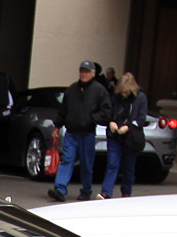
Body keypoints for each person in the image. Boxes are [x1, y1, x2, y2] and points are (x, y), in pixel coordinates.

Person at [50, 60, 110, 201]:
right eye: (82, 71)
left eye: (87, 71)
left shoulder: (99, 90)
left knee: (86, 165)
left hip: (87, 133)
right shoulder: (72, 90)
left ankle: (86, 190)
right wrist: (57, 126)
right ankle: (60, 189)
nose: (84, 74)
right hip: (71, 133)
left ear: (93, 73)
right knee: (67, 161)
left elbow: (107, 111)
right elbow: (63, 109)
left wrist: (93, 118)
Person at [100, 72, 147, 199]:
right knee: (112, 164)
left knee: (129, 167)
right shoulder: (115, 98)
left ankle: (126, 193)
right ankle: (106, 192)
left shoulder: (140, 98)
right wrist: (111, 122)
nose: (124, 95)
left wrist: (128, 127)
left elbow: (141, 118)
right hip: (115, 136)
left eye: (127, 92)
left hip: (130, 137)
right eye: (122, 92)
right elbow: (108, 113)